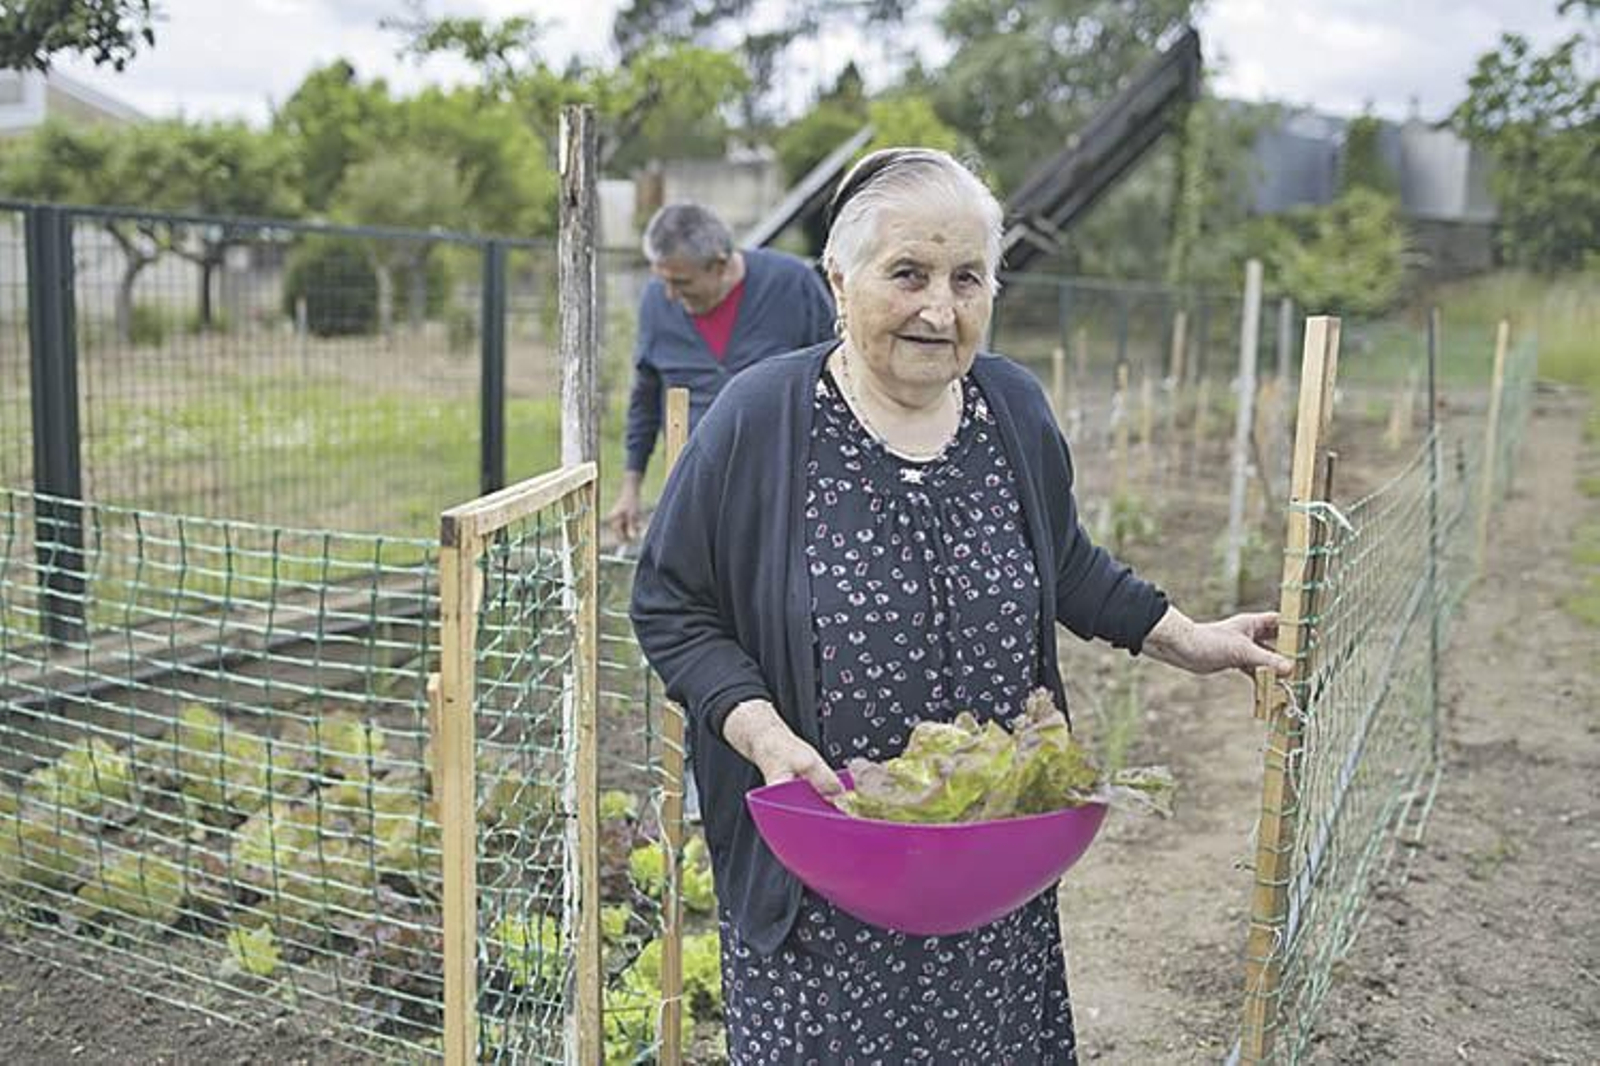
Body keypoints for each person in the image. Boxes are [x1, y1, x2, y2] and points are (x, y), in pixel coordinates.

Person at [629, 148, 1291, 1063]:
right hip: (823, 890)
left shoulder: (1011, 407)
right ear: (840, 279)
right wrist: (763, 736)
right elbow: (672, 604)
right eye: (908, 273)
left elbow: (1067, 565)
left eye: (967, 277)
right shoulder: (760, 418)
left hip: (988, 887)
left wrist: (1194, 640)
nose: (940, 309)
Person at [606, 202, 836, 543]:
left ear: (719, 264)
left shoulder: (793, 284)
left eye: (681, 282)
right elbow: (645, 398)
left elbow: (837, 377)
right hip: (696, 492)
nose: (669, 294)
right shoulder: (657, 302)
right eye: (663, 280)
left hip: (788, 490)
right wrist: (631, 486)